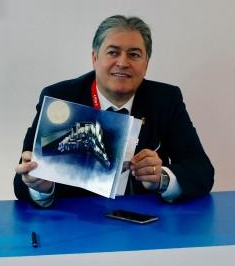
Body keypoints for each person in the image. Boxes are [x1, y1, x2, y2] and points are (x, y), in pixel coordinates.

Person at [14, 15, 213, 205]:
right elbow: (21, 183)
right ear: (94, 58)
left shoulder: (165, 100)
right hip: (76, 219)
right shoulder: (60, 98)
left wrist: (161, 178)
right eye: (113, 52)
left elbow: (202, 171)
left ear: (146, 64)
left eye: (134, 55)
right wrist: (41, 186)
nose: (123, 63)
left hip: (145, 219)